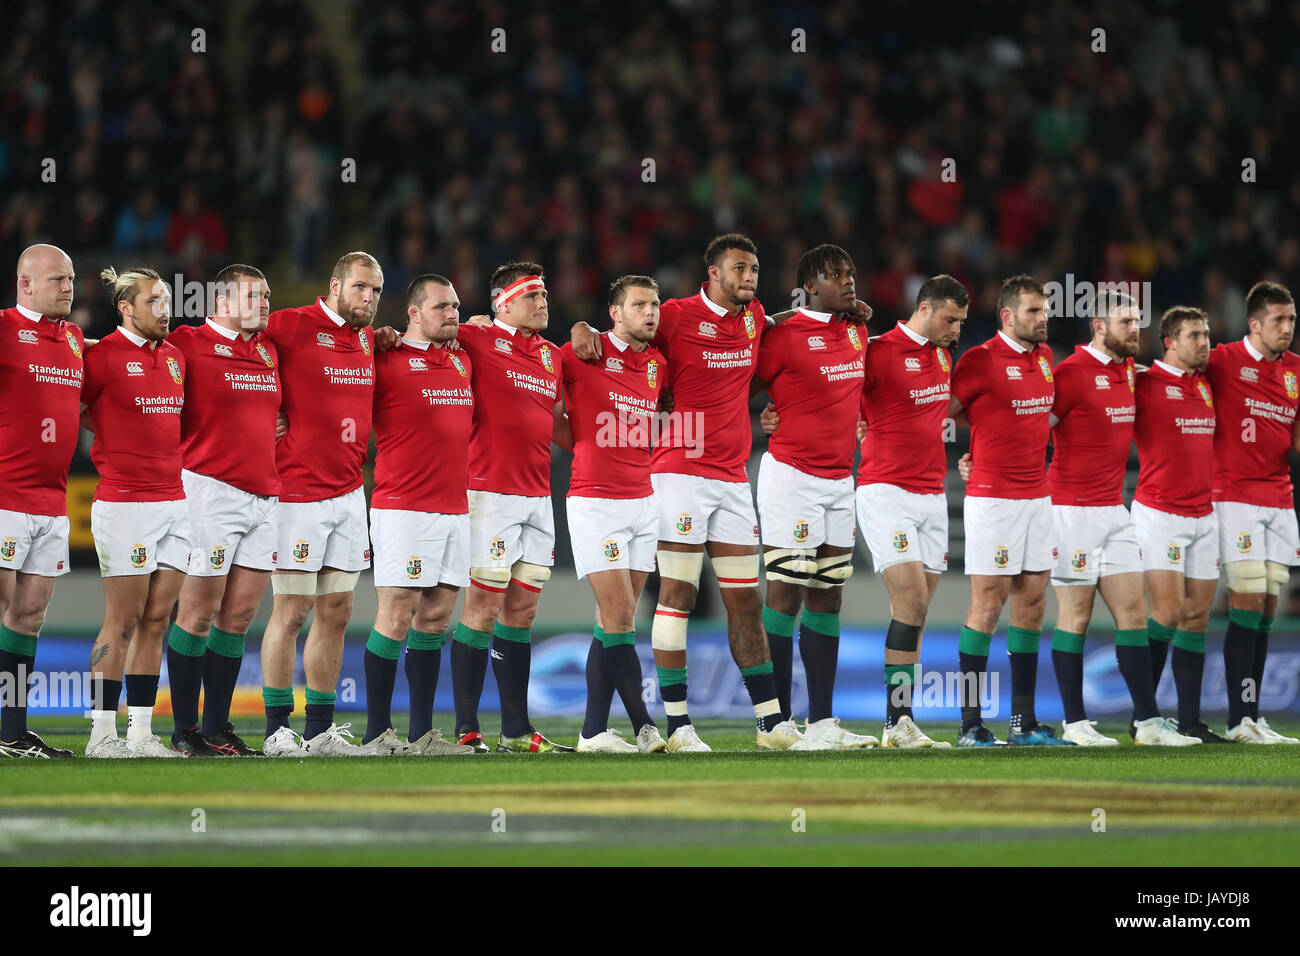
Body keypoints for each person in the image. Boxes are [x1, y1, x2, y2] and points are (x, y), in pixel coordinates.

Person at [571, 235, 808, 751]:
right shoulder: (673, 315)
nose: (750, 277)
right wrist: (580, 326)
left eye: (756, 268)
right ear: (713, 275)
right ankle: (679, 727)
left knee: (746, 600)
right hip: (677, 473)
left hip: (732, 478)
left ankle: (771, 723)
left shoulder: (754, 316)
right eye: (740, 268)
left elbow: (771, 341)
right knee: (678, 595)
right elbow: (620, 335)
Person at [1043, 292, 1199, 745]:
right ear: (1098, 326)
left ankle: (1147, 722)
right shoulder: (1069, 375)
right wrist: (980, 460)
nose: (1135, 328)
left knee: (1135, 613)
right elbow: (1034, 429)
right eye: (1126, 321)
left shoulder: (1130, 373)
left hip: (1115, 510)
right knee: (1075, 616)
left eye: (1137, 320)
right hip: (1070, 511)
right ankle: (1075, 724)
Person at [751, 244, 876, 749]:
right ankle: (774, 724)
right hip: (790, 477)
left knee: (829, 595)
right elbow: (734, 382)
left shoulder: (857, 330)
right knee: (786, 591)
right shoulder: (779, 336)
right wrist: (760, 420)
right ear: (809, 287)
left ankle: (822, 722)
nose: (848, 281)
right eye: (834, 275)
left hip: (839, 480)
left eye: (850, 272)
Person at [260, 252, 381, 756]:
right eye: (359, 288)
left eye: (375, 290)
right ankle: (275, 730)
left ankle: (320, 731)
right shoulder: (288, 325)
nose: (368, 299)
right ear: (334, 285)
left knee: (337, 609)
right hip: (296, 494)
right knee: (291, 612)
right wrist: (259, 417)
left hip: (350, 495)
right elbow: (228, 356)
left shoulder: (373, 340)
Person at [449, 261, 573, 753]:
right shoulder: (475, 339)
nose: (543, 302)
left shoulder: (552, 356)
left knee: (521, 611)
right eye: (532, 295)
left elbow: (560, 425)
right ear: (502, 303)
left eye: (544, 294)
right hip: (489, 493)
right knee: (482, 607)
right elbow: (422, 330)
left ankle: (517, 731)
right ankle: (465, 729)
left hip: (538, 496)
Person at [949, 275, 1070, 746]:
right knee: (988, 603)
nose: (1043, 319)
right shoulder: (979, 360)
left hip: (1038, 498)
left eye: (1045, 311)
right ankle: (970, 724)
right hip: (993, 499)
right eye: (1034, 312)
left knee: (1034, 603)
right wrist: (972, 449)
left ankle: (1024, 722)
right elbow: (944, 411)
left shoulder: (1044, 357)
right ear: (1007, 316)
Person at [166, 264, 281, 756]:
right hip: (209, 491)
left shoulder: (270, 350)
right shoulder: (187, 344)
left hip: (266, 497)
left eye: (268, 295)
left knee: (237, 618)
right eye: (253, 295)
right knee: (197, 613)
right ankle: (184, 730)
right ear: (221, 303)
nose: (264, 303)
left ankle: (217, 728)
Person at [361, 274, 474, 755]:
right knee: (396, 614)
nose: (452, 313)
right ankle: (376, 733)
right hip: (403, 506)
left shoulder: (463, 359)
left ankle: (422, 733)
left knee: (436, 618)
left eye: (456, 306)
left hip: (455, 507)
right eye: (441, 307)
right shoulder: (383, 359)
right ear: (412, 314)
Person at [81, 267, 189, 758]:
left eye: (167, 299)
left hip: (175, 500)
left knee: (157, 619)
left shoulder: (173, 359)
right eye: (154, 301)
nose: (165, 309)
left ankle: (141, 734)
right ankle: (102, 734)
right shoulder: (100, 357)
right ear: (126, 307)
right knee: (122, 619)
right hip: (125, 504)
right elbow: (71, 408)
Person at [855, 275, 968, 746]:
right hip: (885, 491)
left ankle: (903, 721)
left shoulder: (943, 355)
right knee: (912, 602)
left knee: (916, 613)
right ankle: (894, 722)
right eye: (950, 319)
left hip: (931, 496)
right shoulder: (876, 350)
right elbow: (832, 393)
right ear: (924, 308)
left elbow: (950, 411)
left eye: (961, 322)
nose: (957, 331)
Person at [559, 275, 669, 754]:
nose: (651, 312)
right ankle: (645, 726)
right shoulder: (579, 352)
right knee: (621, 614)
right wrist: (583, 443)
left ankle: (592, 733)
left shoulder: (657, 363)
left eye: (655, 304)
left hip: (643, 501)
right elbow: (542, 403)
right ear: (615, 313)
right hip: (595, 501)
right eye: (640, 304)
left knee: (612, 621)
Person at [1206, 281, 1300, 743]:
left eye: (1292, 320)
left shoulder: (1296, 371)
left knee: (1267, 606)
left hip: (1280, 499)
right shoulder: (1222, 360)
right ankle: (1237, 718)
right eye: (1279, 320)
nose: (1288, 328)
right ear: (1255, 323)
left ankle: (1254, 715)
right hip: (1234, 495)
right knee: (1245, 600)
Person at [1131, 306, 1227, 742]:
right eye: (1194, 335)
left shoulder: (1205, 385)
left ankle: (1190, 721)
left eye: (1206, 334)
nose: (1204, 342)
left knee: (1196, 617)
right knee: (1166, 612)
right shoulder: (1143, 382)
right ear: (1169, 341)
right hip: (1159, 512)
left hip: (1204, 514)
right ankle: (1143, 717)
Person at [0, 245, 81, 758]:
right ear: (24, 284)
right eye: (58, 279)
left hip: (51, 502)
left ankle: (11, 731)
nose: (69, 287)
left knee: (28, 616)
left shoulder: (74, 339)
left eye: (71, 278)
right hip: (5, 495)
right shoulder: (4, 327)